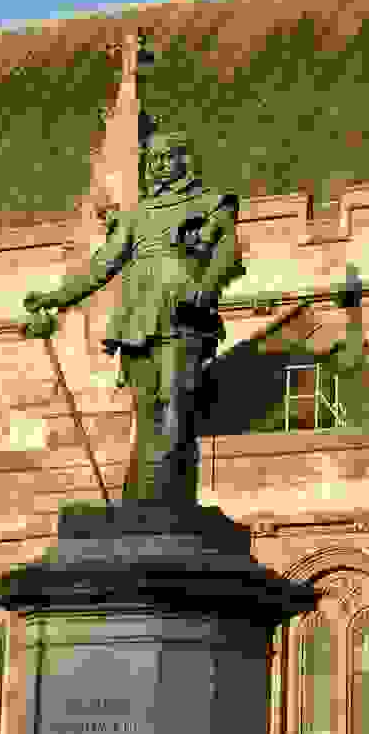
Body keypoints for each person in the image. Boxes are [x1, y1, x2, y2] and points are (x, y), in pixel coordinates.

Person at [23, 128, 244, 505]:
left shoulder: (212, 205)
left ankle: (170, 500)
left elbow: (228, 258)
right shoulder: (136, 217)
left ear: (183, 160)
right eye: (152, 160)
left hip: (183, 316)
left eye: (166, 158)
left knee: (177, 405)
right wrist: (56, 297)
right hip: (139, 319)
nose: (158, 166)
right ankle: (140, 501)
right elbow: (101, 266)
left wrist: (204, 289)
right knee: (146, 411)